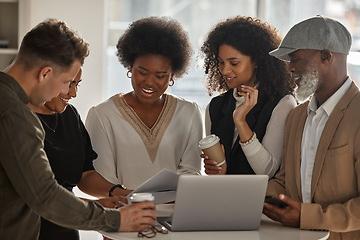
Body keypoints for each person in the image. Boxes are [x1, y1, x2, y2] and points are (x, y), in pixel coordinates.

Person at [0, 19, 155, 240]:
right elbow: (45, 197)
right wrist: (119, 220)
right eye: (66, 82)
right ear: (45, 73)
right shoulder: (15, 115)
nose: (67, 92)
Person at [262, 15, 360, 240]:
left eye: (296, 59)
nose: (290, 68)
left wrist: (307, 217)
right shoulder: (297, 116)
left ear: (326, 56)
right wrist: (244, 197)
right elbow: (286, 182)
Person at [85, 16, 202, 190]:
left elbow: (191, 174)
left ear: (172, 76)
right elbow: (104, 180)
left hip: (176, 215)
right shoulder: (102, 116)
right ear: (130, 66)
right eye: (142, 72)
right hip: (124, 214)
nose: (149, 82)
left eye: (160, 75)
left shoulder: (190, 113)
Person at [28, 68, 132, 240]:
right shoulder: (18, 121)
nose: (73, 93)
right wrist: (97, 206)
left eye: (77, 84)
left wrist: (119, 193)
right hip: (30, 230)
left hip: (66, 230)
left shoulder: (70, 115)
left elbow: (86, 174)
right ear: (45, 75)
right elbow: (38, 196)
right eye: (69, 84)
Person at [200, 16, 296, 178]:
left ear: (257, 61)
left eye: (234, 63)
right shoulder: (216, 106)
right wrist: (215, 170)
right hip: (224, 197)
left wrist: (241, 122)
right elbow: (219, 174)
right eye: (221, 62)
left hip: (262, 200)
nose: (224, 70)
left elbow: (267, 170)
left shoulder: (283, 104)